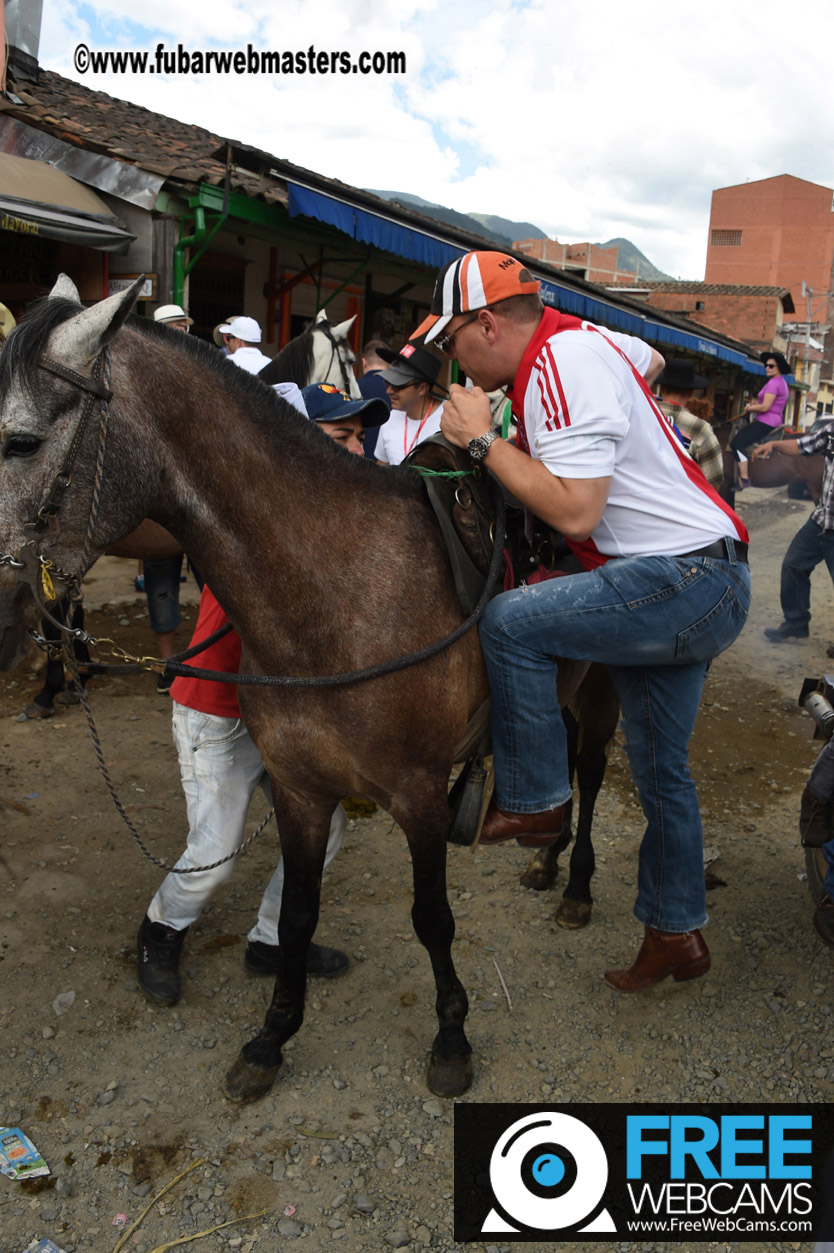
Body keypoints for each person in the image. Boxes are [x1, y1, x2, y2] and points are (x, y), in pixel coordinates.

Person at [416, 250, 750, 993]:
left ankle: (537, 803)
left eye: (451, 343)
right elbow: (650, 354)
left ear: (487, 324)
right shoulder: (578, 347)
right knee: (665, 774)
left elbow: (574, 511)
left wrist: (482, 438)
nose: (452, 364)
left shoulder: (562, 359)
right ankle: (675, 929)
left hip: (682, 577)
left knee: (511, 622)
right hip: (703, 574)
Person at [137, 382, 389, 1005]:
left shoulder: (338, 512)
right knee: (215, 851)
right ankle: (160, 931)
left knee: (322, 833)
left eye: (360, 436)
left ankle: (272, 941)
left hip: (287, 713)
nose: (357, 450)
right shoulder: (253, 516)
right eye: (341, 437)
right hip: (218, 708)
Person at [755, 420, 834, 641]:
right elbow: (802, 445)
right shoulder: (831, 430)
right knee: (794, 564)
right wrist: (776, 445)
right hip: (821, 520)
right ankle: (796, 623)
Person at [656, 359, 724, 490]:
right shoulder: (701, 428)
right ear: (691, 392)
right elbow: (713, 479)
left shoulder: (640, 413)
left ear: (662, 388)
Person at [376, 344, 446, 465]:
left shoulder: (450, 418)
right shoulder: (389, 419)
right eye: (387, 382)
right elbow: (381, 467)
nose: (389, 391)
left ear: (422, 388)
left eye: (398, 385)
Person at [730, 351, 791, 488]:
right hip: (773, 420)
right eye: (766, 365)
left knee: (736, 443)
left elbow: (765, 407)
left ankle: (745, 479)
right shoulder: (781, 382)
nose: (767, 368)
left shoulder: (773, 383)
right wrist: (755, 405)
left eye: (771, 366)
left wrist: (750, 408)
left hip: (766, 421)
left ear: (778, 367)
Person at [357, 339, 392, 460]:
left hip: (357, 462)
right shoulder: (400, 392)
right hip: (390, 466)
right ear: (389, 364)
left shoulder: (353, 388)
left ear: (364, 363)